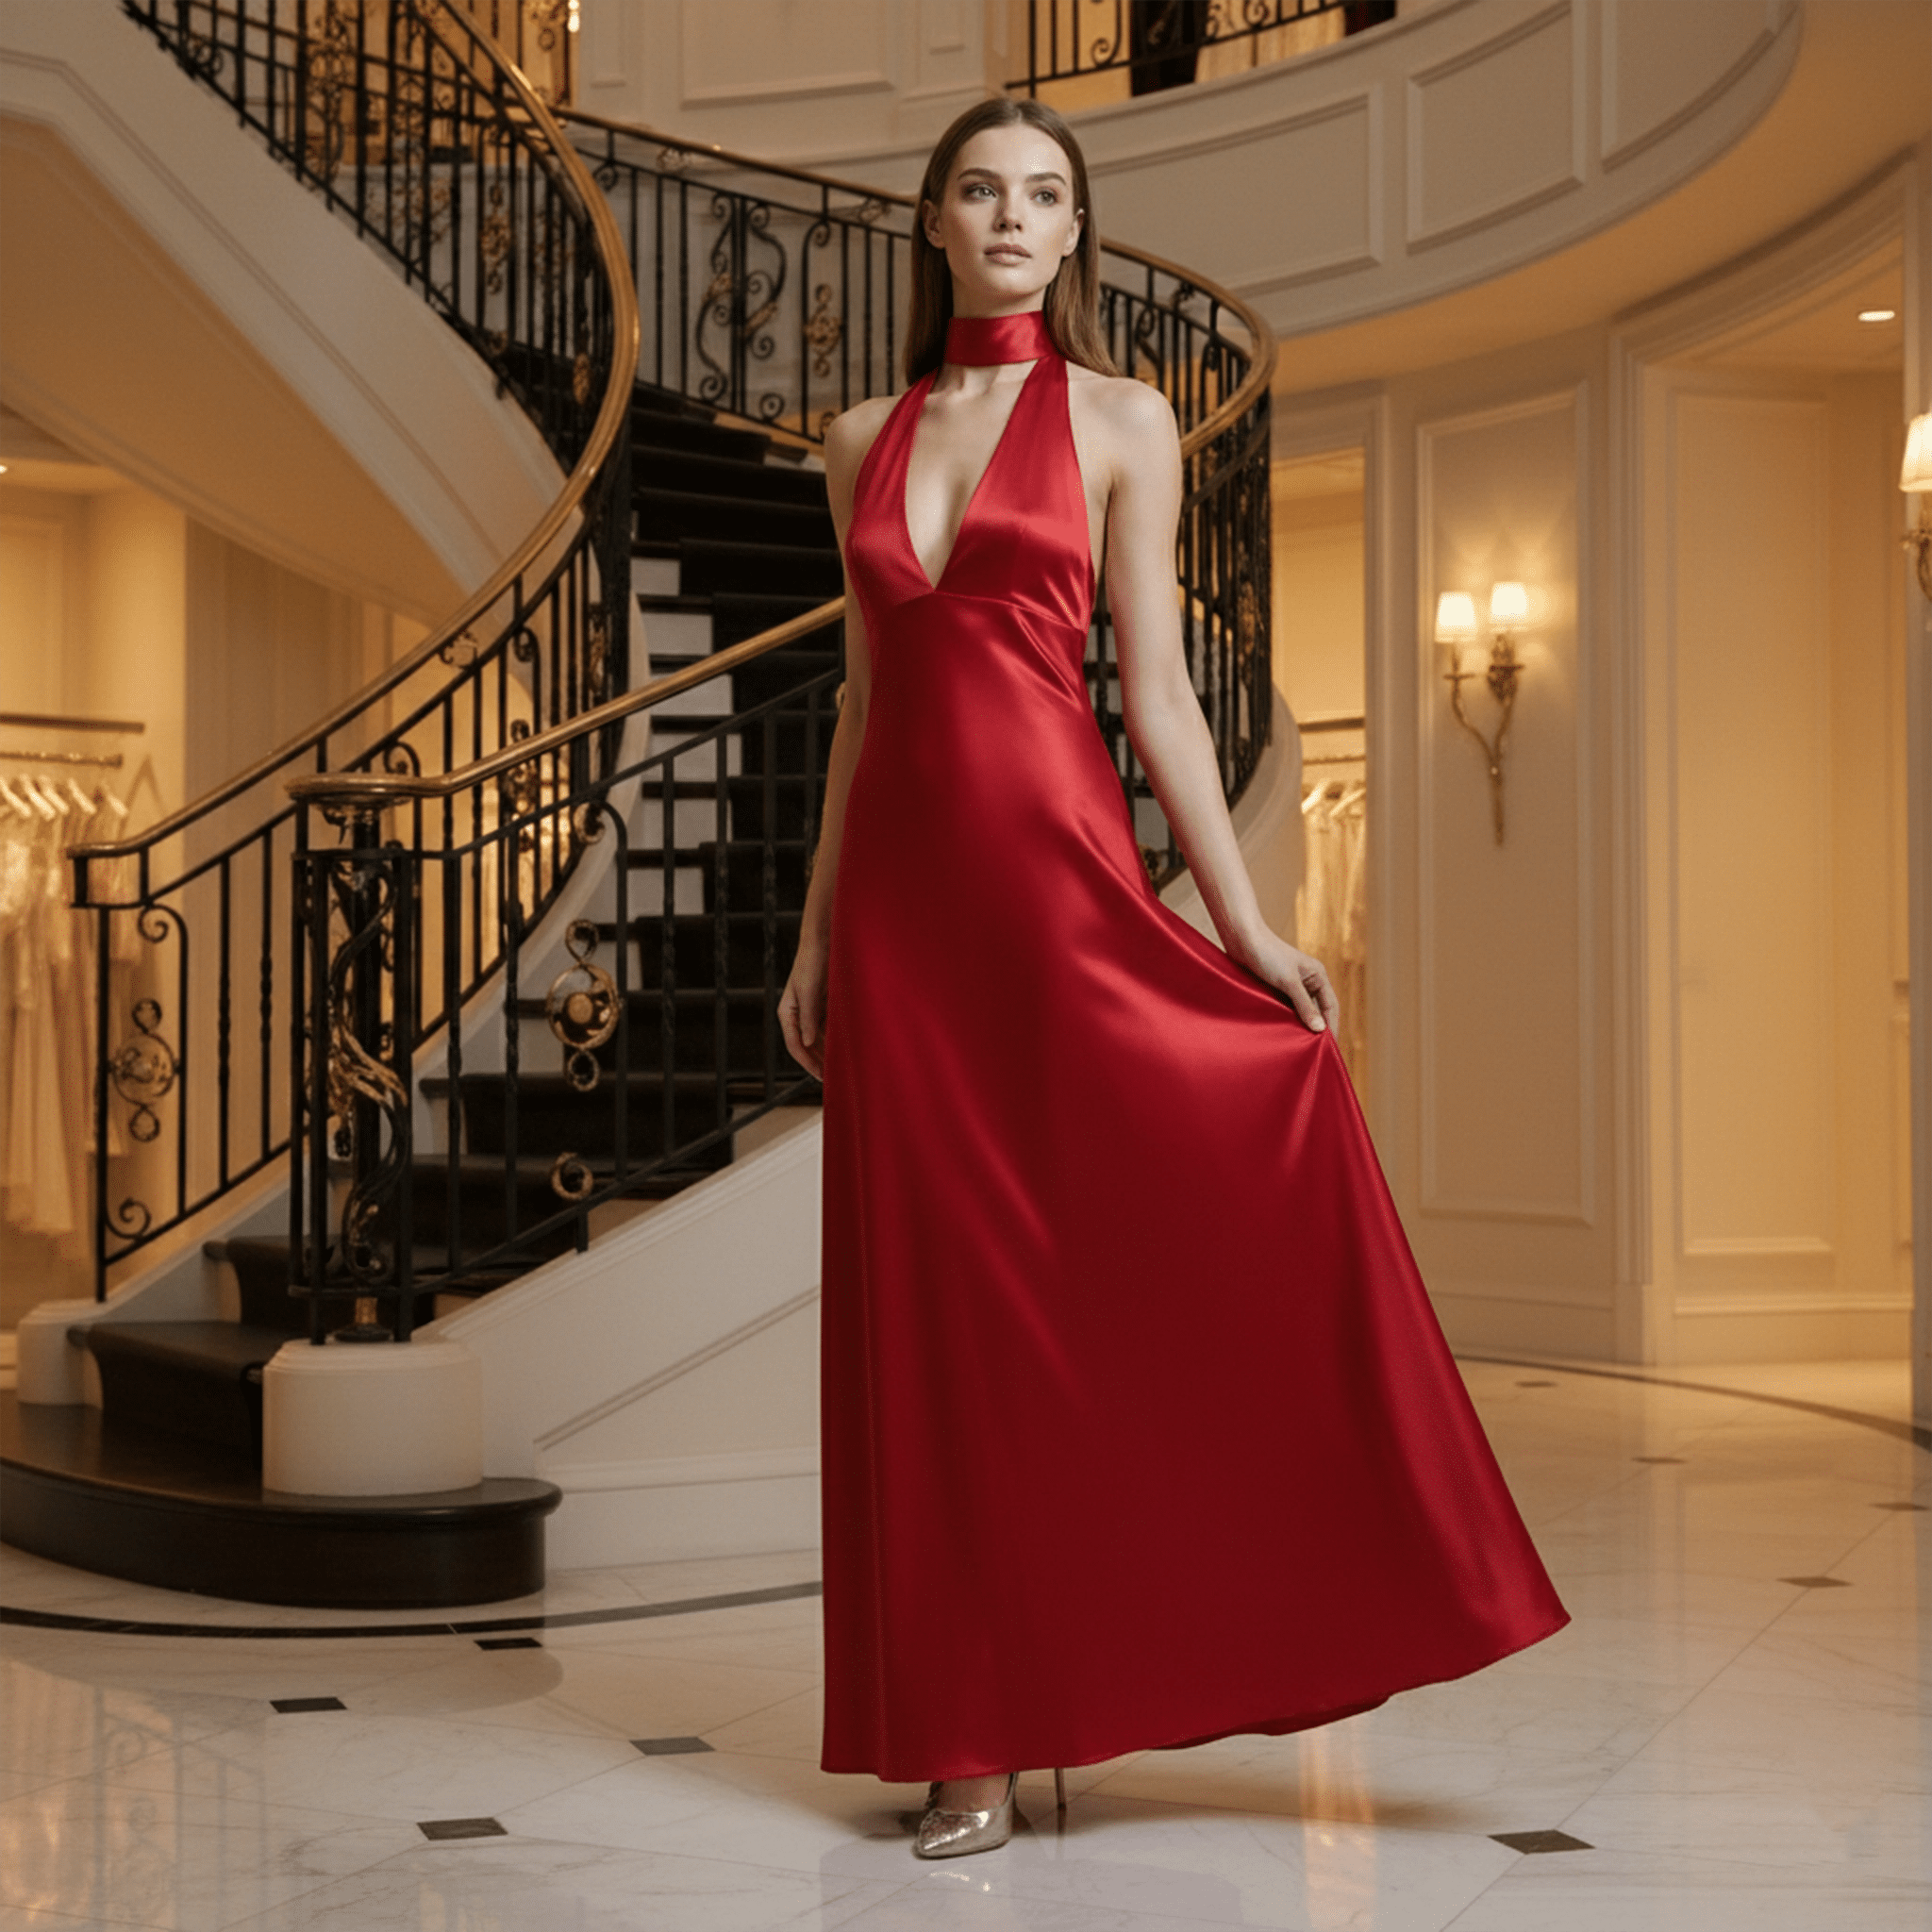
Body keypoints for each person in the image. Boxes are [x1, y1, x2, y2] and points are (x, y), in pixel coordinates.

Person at [778, 96, 1567, 1862]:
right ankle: (965, 1730)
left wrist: (1245, 925)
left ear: (1075, 235)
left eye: (1045, 197)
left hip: (1060, 891)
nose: (1012, 219)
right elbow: (858, 706)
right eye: (981, 190)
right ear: (935, 221)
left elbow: (1158, 698)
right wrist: (822, 933)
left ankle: (1196, 1618)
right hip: (906, 922)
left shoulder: (1127, 422)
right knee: (932, 1311)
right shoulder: (855, 441)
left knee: (1096, 1274)